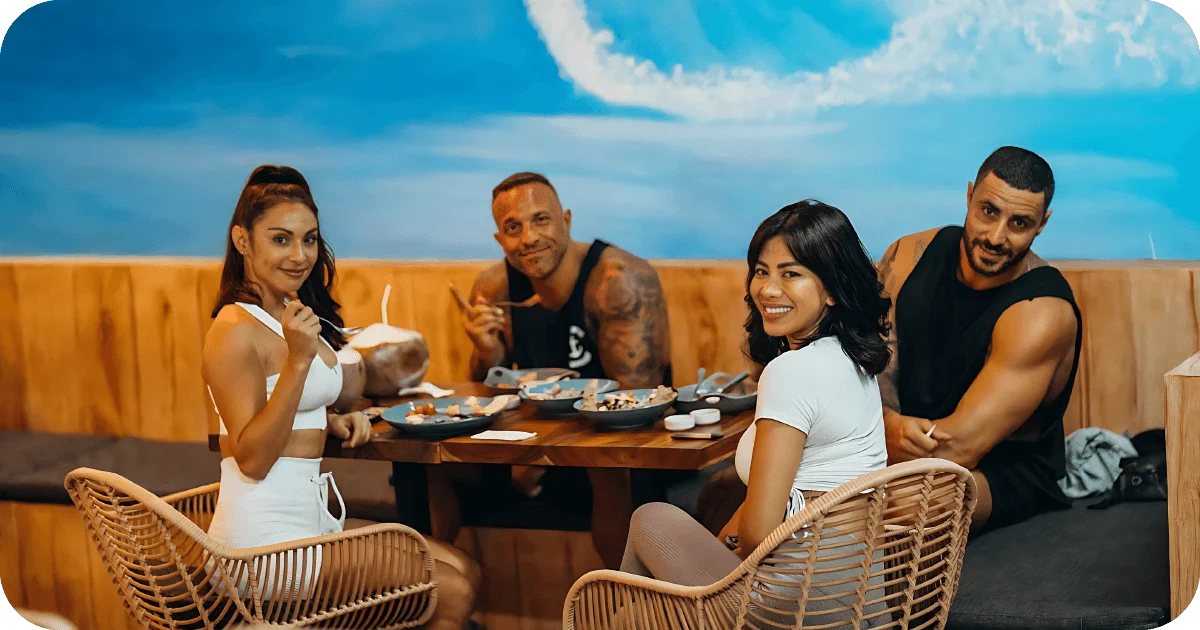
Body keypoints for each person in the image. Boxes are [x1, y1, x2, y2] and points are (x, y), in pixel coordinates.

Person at [202, 165, 480, 630]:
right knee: (452, 592)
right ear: (242, 241)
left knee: (464, 568)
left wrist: (330, 420)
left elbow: (284, 409)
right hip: (261, 548)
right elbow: (251, 458)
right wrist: (297, 362)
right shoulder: (233, 331)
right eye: (281, 239)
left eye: (309, 239)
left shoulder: (289, 312)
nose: (299, 255)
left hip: (311, 524)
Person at [620, 200, 890, 608]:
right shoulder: (854, 361)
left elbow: (759, 533)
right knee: (647, 613)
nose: (768, 289)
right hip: (857, 600)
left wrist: (727, 550)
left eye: (791, 274)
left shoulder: (791, 372)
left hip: (796, 604)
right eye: (762, 271)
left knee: (650, 518)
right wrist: (722, 544)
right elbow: (780, 498)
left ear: (833, 289)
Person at [877, 146, 1082, 535]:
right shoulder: (908, 256)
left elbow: (956, 450)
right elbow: (872, 366)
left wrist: (875, 441)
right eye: (988, 211)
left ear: (1042, 224)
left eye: (1019, 223)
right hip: (896, 439)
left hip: (998, 469)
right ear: (969, 196)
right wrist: (886, 424)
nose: (996, 236)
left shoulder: (1041, 312)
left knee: (902, 504)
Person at [458, 171, 674, 500]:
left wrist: (544, 449)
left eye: (541, 220)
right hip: (534, 441)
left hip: (623, 447)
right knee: (425, 468)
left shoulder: (619, 281)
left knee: (609, 470)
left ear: (567, 221)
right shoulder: (493, 289)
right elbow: (483, 399)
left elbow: (635, 407)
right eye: (513, 227)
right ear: (500, 239)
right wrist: (487, 352)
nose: (529, 238)